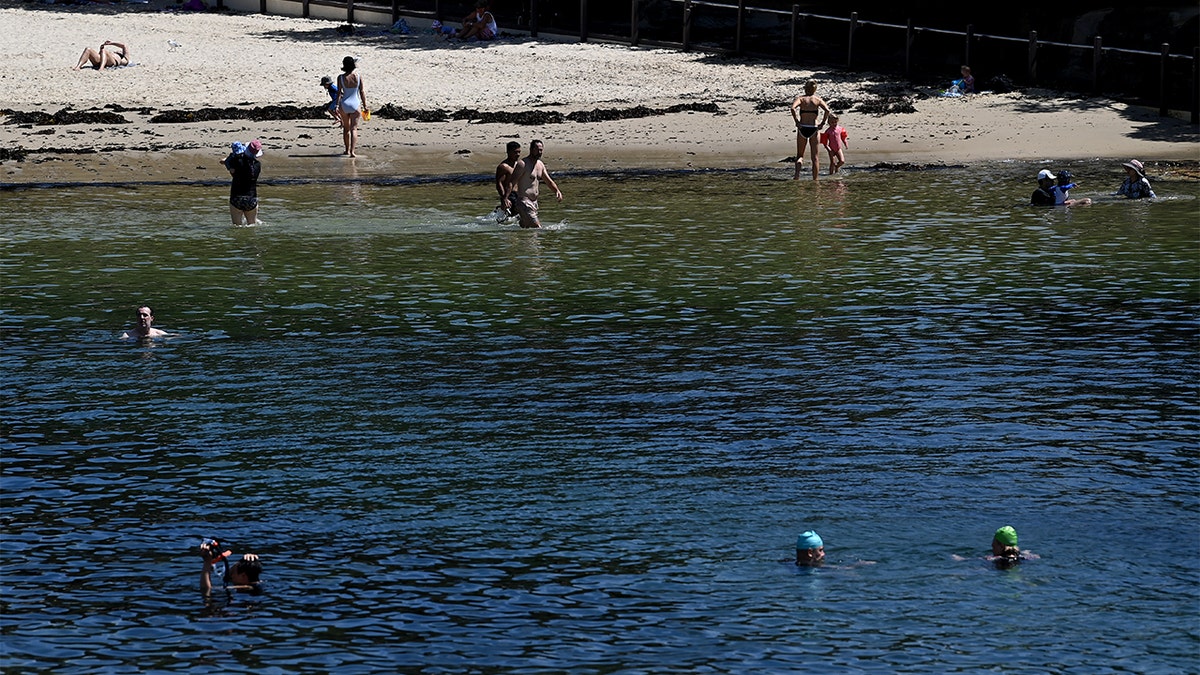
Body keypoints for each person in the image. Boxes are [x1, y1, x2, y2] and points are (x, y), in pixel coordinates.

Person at [510, 139, 562, 229]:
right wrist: (505, 199)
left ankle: (517, 237)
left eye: (541, 150)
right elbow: (511, 183)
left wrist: (557, 191)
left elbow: (548, 181)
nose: (540, 152)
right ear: (531, 149)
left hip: (534, 202)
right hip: (524, 201)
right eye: (537, 149)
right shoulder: (522, 164)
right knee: (537, 228)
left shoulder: (540, 165)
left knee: (526, 229)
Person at [790, 80, 832, 180]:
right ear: (815, 89)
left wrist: (797, 121)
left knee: (800, 155)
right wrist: (822, 123)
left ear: (805, 88)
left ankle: (796, 176)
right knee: (815, 157)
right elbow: (827, 110)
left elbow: (792, 108)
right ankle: (815, 180)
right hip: (814, 128)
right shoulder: (817, 99)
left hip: (802, 127)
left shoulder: (801, 99)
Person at [198, 538, 263, 596]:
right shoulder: (258, 582)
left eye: (232, 574)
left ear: (243, 576)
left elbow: (206, 590)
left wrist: (207, 562)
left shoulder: (246, 587)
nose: (230, 577)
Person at [224, 140, 262, 225]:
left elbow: (232, 170)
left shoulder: (237, 161)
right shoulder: (257, 165)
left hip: (236, 197)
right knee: (252, 225)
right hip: (251, 198)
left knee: (236, 227)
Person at [336, 56, 368, 157]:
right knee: (354, 129)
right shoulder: (358, 76)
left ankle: (346, 150)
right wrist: (365, 105)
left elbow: (339, 93)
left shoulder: (340, 78)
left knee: (346, 129)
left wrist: (337, 105)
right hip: (355, 104)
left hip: (344, 104)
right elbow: (362, 92)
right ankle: (352, 152)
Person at [495, 140, 521, 218]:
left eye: (519, 152)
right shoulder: (503, 167)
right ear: (509, 152)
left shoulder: (519, 165)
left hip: (519, 194)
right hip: (510, 195)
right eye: (515, 152)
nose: (518, 154)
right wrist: (504, 198)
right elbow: (499, 183)